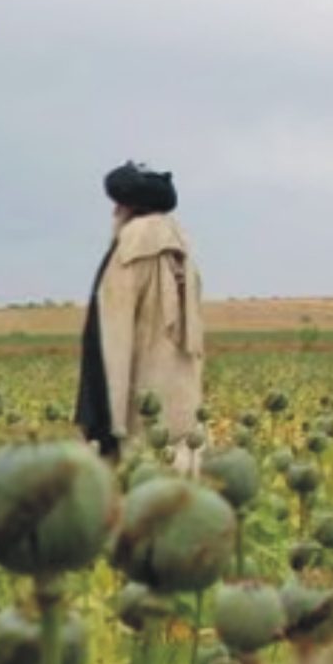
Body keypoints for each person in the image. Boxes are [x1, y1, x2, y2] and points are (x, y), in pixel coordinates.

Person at [75, 161, 204, 461]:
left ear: (129, 208)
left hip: (140, 412)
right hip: (182, 412)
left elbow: (109, 339)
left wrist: (101, 424)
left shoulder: (129, 250)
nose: (113, 213)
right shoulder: (184, 252)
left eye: (117, 206)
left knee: (138, 480)